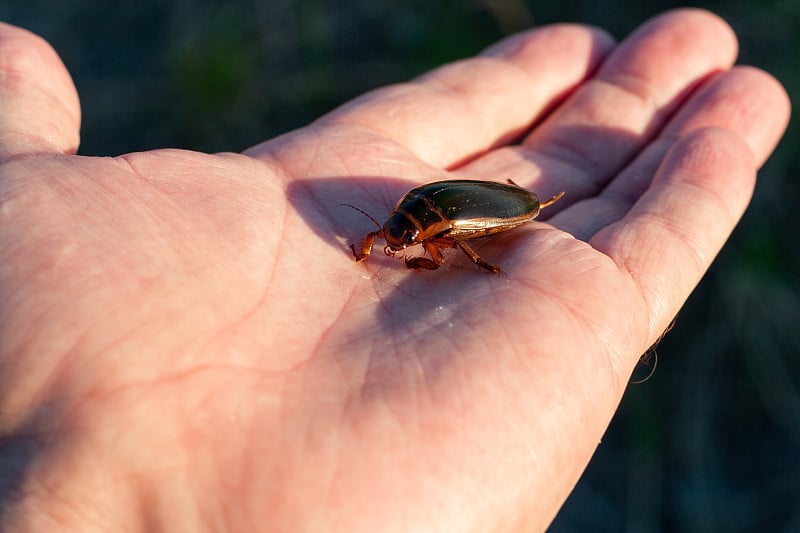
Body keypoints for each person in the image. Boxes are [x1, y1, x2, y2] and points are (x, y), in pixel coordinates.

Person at [0, 8, 789, 532]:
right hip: (457, 198)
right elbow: (405, 228)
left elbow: (443, 227)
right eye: (410, 242)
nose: (411, 249)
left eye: (414, 242)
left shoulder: (442, 228)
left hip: (491, 202)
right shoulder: (413, 224)